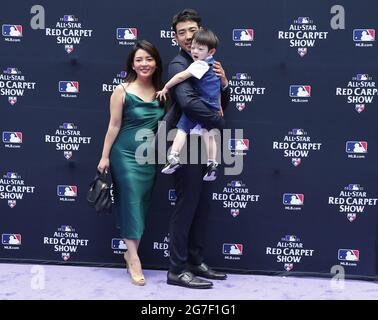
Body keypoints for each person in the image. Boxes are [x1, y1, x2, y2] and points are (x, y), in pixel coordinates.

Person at [162, 8, 230, 289]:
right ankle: (176, 270)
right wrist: (217, 122)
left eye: (192, 30)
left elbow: (221, 102)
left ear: (201, 31)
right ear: (176, 38)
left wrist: (224, 83)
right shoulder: (180, 65)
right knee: (186, 205)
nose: (188, 36)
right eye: (182, 32)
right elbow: (189, 104)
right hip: (184, 139)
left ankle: (195, 260)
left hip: (202, 138)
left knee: (200, 205)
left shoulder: (209, 61)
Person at [97, 40, 165, 286]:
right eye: (139, 60)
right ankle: (134, 259)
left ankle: (129, 251)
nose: (144, 64)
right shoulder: (122, 90)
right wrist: (104, 156)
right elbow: (113, 125)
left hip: (148, 158)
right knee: (132, 200)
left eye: (148, 59)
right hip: (124, 155)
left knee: (141, 204)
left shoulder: (163, 93)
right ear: (132, 65)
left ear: (156, 63)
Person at [157, 28, 223, 181]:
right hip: (212, 106)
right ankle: (212, 164)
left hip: (200, 105)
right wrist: (218, 106)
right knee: (209, 134)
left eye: (200, 49)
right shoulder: (215, 66)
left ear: (211, 51)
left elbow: (180, 76)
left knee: (182, 129)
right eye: (193, 47)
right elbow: (217, 89)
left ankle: (173, 156)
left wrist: (166, 87)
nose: (195, 51)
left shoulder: (199, 65)